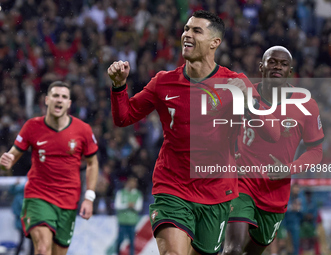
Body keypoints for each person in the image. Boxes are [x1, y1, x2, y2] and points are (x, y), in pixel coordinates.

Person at [108, 10, 280, 255]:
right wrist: (119, 86)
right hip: (172, 187)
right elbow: (124, 117)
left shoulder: (235, 83)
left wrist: (247, 103)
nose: (187, 34)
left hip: (216, 193)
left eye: (196, 31)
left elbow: (272, 134)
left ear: (214, 43)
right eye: (186, 29)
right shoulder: (163, 82)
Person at [223, 46, 324, 255]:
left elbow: (316, 151)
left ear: (290, 71)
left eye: (283, 64)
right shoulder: (245, 94)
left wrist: (289, 168)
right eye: (272, 62)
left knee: (253, 251)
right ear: (261, 67)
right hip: (242, 183)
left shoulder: (306, 105)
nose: (277, 66)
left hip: (275, 192)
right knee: (232, 250)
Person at [0, 81, 99, 255]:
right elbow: (13, 155)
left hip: (68, 201)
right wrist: (6, 160)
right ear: (46, 100)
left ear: (69, 103)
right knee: (43, 249)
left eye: (64, 97)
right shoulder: (32, 126)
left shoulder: (83, 130)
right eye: (55, 95)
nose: (59, 100)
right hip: (38, 196)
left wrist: (89, 197)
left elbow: (92, 163)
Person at [114, 175, 143, 255]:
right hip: (122, 221)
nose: (133, 184)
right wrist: (128, 205)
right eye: (131, 182)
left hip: (132, 221)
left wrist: (132, 206)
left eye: (134, 182)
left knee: (132, 241)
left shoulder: (138, 194)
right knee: (120, 240)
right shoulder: (121, 192)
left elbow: (139, 207)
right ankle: (117, 253)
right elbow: (117, 205)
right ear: (127, 183)